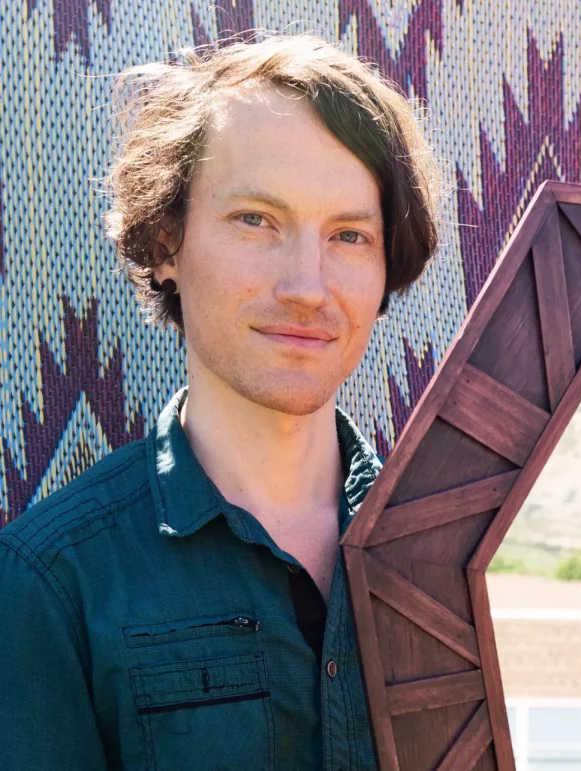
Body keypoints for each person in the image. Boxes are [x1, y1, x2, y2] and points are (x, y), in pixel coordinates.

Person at [0, 33, 440, 770]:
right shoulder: (50, 583)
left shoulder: (462, 552)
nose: (307, 286)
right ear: (165, 243)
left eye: (349, 235)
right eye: (256, 219)